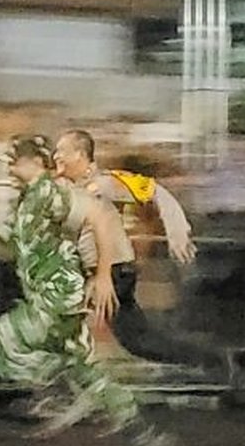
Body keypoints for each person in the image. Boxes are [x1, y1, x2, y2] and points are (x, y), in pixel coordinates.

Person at [0, 134, 174, 446]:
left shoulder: (52, 192)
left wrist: (103, 275)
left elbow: (100, 218)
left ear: (36, 162)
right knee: (85, 369)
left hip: (58, 295)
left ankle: (57, 391)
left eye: (15, 161)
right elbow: (11, 252)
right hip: (48, 295)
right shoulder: (25, 201)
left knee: (1, 339)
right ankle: (140, 434)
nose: (9, 169)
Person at [54, 129, 232, 373]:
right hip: (95, 272)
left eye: (62, 151)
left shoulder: (105, 183)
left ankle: (210, 360)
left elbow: (155, 191)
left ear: (80, 154)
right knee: (139, 341)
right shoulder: (68, 188)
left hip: (112, 273)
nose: (57, 156)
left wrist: (176, 228)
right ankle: (207, 359)